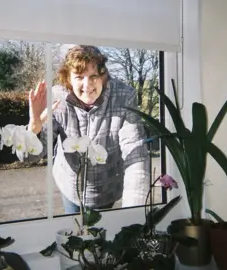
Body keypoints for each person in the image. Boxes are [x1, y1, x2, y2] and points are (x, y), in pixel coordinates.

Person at [27, 45, 150, 214]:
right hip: (70, 187)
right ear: (68, 79)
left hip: (107, 189)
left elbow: (136, 153)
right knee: (76, 234)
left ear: (103, 76)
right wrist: (34, 129)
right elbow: (31, 157)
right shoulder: (56, 99)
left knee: (102, 236)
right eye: (79, 77)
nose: (87, 85)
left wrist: (133, 214)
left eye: (94, 76)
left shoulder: (123, 97)